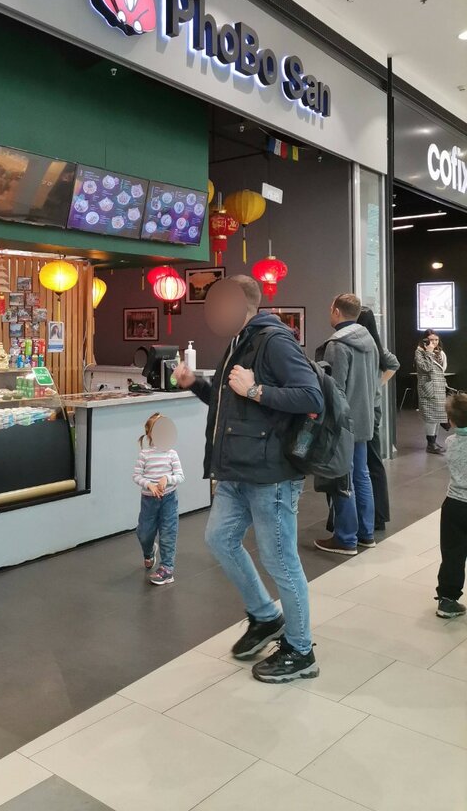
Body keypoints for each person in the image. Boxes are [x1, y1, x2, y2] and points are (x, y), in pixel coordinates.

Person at [175, 275, 323, 684]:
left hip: (270, 474)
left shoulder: (274, 341)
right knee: (219, 539)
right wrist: (196, 384)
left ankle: (301, 650)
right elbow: (229, 402)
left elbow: (311, 396)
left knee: (280, 561)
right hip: (237, 471)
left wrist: (257, 390)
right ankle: (265, 616)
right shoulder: (240, 342)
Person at [314, 294, 379, 556]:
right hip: (365, 418)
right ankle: (366, 534)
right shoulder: (369, 341)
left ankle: (346, 538)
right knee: (362, 475)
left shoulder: (337, 344)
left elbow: (335, 389)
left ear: (336, 311)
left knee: (343, 478)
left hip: (343, 424)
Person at [357, 307, 399, 531]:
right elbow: (393, 364)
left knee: (368, 463)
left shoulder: (365, 346)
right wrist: (377, 385)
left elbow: (394, 364)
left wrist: (376, 385)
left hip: (366, 409)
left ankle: (375, 516)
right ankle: (378, 515)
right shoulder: (376, 345)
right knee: (373, 462)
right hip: (373, 407)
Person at [133, 412, 184, 586]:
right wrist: (149, 485)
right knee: (144, 533)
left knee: (168, 533)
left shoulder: (172, 454)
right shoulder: (144, 455)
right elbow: (136, 476)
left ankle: (167, 569)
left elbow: (180, 476)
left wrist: (166, 479)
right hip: (149, 501)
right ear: (150, 433)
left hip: (169, 499)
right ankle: (149, 552)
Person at [435, 391, 467, 619]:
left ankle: (447, 600)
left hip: (453, 505)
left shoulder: (450, 442)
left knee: (452, 554)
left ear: (451, 421)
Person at [415, 331, 450, 454]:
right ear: (425, 340)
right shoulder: (419, 352)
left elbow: (442, 369)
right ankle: (430, 444)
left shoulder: (441, 353)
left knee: (438, 416)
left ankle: (434, 442)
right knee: (431, 417)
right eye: (431, 339)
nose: (434, 342)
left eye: (436, 339)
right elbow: (426, 368)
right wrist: (429, 352)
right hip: (428, 388)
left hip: (439, 387)